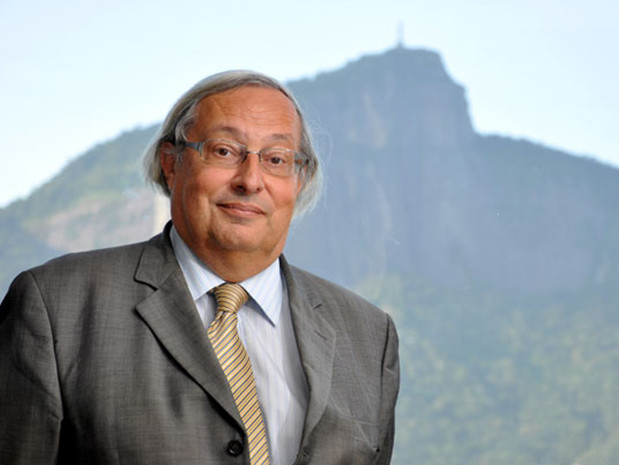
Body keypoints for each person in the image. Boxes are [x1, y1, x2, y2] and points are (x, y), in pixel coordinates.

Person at [0, 71, 400, 465]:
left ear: (300, 179)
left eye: (276, 159)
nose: (251, 180)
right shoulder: (57, 306)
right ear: (171, 163)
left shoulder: (369, 335)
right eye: (224, 151)